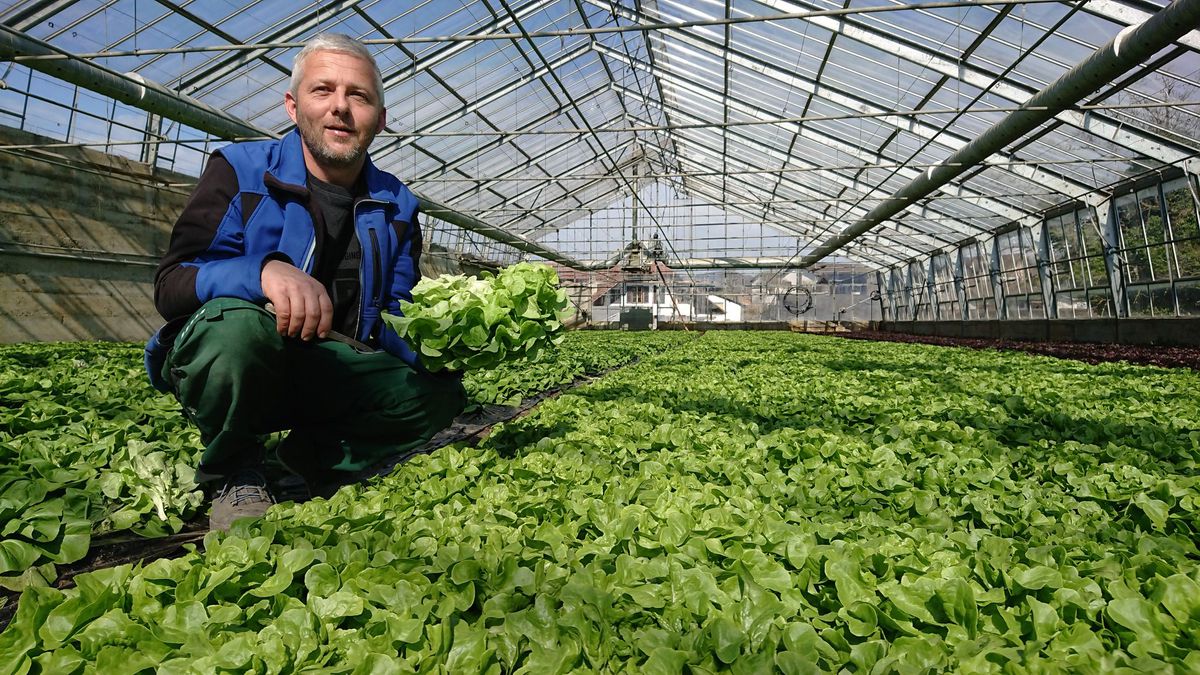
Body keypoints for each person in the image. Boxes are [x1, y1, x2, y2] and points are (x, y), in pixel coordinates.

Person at [144, 33, 466, 530]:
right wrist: (261, 273)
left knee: (438, 395)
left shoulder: (398, 205)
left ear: (380, 121)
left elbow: (395, 313)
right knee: (236, 329)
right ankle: (235, 466)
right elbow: (173, 283)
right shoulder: (240, 171)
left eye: (358, 96)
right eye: (323, 91)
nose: (340, 107)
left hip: (326, 367)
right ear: (294, 107)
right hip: (238, 360)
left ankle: (303, 462)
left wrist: (443, 347)